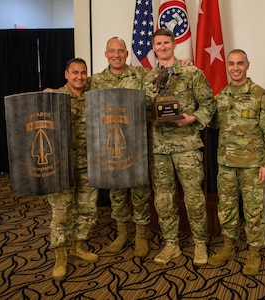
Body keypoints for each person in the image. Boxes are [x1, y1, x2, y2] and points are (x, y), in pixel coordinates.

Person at [143, 28, 216, 266]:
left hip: (186, 146)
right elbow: (143, 109)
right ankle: (171, 244)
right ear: (153, 47)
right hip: (159, 147)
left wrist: (193, 118)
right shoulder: (148, 78)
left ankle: (199, 244)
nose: (162, 47)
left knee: (194, 198)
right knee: (163, 200)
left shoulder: (191, 72)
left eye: (166, 43)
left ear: (174, 45)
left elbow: (208, 103)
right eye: (158, 44)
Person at [208, 49, 265, 276]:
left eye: (240, 63)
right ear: (227, 66)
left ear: (247, 65)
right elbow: (212, 123)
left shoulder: (261, 96)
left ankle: (254, 252)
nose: (236, 68)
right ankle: (228, 246)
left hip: (253, 166)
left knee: (254, 211)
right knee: (227, 208)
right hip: (226, 164)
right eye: (231, 63)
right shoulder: (221, 96)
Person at [89, 37, 152, 257]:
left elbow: (164, 75)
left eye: (121, 51)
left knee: (140, 192)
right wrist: (54, 91)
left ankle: (141, 235)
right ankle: (122, 233)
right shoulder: (95, 80)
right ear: (106, 54)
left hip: (135, 145)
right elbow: (75, 90)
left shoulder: (141, 75)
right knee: (116, 192)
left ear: (127, 54)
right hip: (110, 148)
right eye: (112, 51)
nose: (116, 55)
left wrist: (183, 64)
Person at [46, 58, 99, 281]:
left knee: (87, 209)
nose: (79, 77)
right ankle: (60, 255)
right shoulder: (53, 98)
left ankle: (78, 246)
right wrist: (44, 97)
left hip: (89, 163)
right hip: (62, 165)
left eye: (83, 73)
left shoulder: (95, 97)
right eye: (75, 73)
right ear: (66, 74)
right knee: (62, 211)